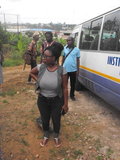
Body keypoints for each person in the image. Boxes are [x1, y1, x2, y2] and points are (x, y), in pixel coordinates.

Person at [30, 42, 68, 147]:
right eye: (43, 55)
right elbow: (31, 72)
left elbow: (65, 88)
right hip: (42, 100)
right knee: (45, 118)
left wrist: (65, 104)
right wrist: (39, 81)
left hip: (56, 100)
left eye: (47, 56)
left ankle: (56, 136)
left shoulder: (62, 70)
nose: (44, 58)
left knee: (56, 119)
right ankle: (46, 135)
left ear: (54, 57)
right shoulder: (41, 67)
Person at [62, 36, 80, 101]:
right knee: (64, 83)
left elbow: (78, 60)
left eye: (70, 40)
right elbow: (63, 58)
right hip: (65, 69)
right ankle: (64, 95)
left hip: (73, 70)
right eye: (67, 41)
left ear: (73, 41)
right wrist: (61, 67)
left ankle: (72, 95)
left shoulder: (77, 50)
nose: (68, 42)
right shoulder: (64, 48)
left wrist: (78, 70)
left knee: (73, 84)